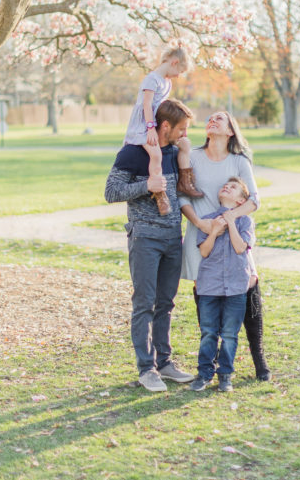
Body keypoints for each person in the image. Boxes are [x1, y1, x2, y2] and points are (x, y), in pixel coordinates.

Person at [105, 98, 197, 392]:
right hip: (144, 238)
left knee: (166, 304)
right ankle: (147, 369)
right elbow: (111, 191)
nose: (185, 134)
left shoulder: (174, 152)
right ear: (165, 126)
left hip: (173, 238)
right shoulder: (133, 152)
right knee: (144, 303)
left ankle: (165, 363)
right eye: (182, 129)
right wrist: (146, 186)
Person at [179, 110, 270, 381]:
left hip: (232, 234)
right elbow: (182, 195)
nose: (212, 120)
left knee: (249, 284)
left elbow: (254, 201)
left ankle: (259, 357)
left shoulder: (239, 161)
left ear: (231, 130)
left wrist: (230, 218)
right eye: (210, 118)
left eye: (220, 118)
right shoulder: (193, 157)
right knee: (204, 291)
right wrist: (202, 223)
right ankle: (213, 360)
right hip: (203, 235)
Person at [189, 177, 255, 392]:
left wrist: (231, 222)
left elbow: (239, 248)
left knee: (229, 334)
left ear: (240, 201)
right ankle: (204, 374)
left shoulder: (245, 221)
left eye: (233, 187)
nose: (226, 187)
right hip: (210, 285)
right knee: (208, 332)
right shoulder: (207, 220)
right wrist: (215, 231)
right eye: (225, 185)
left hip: (236, 287)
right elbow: (204, 251)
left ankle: (225, 374)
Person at [122, 47, 203, 216]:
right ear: (174, 62)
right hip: (142, 127)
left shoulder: (167, 82)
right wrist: (151, 128)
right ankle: (159, 193)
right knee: (156, 155)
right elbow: (146, 105)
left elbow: (164, 108)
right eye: (179, 70)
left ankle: (185, 183)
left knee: (182, 148)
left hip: (155, 125)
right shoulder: (152, 79)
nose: (178, 75)